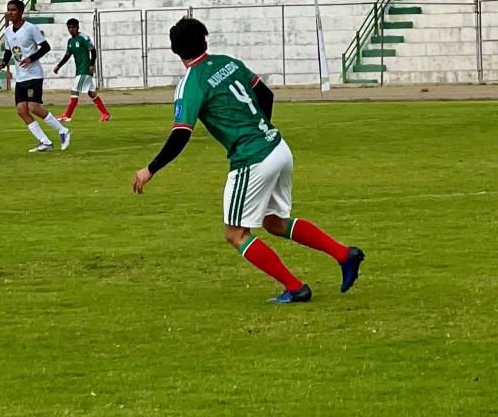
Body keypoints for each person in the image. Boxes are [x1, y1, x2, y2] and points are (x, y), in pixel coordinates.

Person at [132, 17, 365, 304]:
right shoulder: (229, 63)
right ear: (204, 41)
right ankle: (344, 254)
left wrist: (150, 169)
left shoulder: (190, 83)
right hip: (277, 147)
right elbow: (265, 94)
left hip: (253, 159)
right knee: (274, 222)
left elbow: (181, 134)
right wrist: (260, 129)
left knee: (235, 233)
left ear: (175, 50)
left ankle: (295, 288)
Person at [0, 0, 70, 152]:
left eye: (13, 10)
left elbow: (46, 47)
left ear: (21, 12)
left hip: (33, 75)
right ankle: (45, 142)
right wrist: (4, 62)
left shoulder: (30, 28)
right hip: (21, 77)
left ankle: (63, 130)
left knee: (33, 107)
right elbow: (9, 50)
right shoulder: (7, 31)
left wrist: (31, 58)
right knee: (21, 110)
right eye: (8, 10)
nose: (10, 12)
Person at [53, 17, 111, 122]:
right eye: (69, 27)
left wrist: (91, 64)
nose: (71, 29)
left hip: (84, 69)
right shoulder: (70, 41)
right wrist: (58, 66)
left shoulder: (83, 37)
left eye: (73, 27)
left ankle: (67, 116)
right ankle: (105, 114)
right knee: (91, 93)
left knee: (74, 91)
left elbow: (93, 50)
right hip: (80, 70)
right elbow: (67, 56)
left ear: (78, 27)